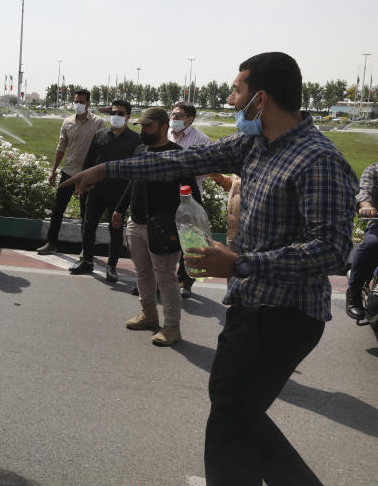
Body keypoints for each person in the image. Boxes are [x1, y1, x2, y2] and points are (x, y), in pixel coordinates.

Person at [61, 52, 357, 485]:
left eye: (238, 90)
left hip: (288, 314)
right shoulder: (255, 145)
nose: (232, 99)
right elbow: (175, 161)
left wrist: (240, 263)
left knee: (231, 415)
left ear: (261, 98)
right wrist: (108, 168)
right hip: (248, 305)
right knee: (233, 407)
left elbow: (331, 251)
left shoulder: (318, 159)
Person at [112, 107, 199, 346]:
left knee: (166, 277)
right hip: (136, 222)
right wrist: (120, 208)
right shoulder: (141, 150)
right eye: (141, 126)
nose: (144, 130)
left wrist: (190, 231)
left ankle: (172, 327)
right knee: (142, 273)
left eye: (148, 126)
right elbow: (133, 182)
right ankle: (149, 315)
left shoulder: (177, 155)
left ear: (163, 127)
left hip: (164, 227)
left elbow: (191, 195)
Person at [71, 99, 140, 282]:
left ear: (128, 117)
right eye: (113, 113)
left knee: (115, 230)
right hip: (96, 190)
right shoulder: (100, 135)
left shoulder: (135, 140)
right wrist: (83, 183)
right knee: (88, 226)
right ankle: (86, 261)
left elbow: (136, 170)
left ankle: (112, 266)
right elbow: (89, 162)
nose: (116, 116)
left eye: (120, 113)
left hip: (120, 193)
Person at [37, 89, 105, 255]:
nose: (78, 105)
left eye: (82, 102)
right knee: (58, 209)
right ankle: (51, 243)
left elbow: (103, 149)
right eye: (76, 101)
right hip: (68, 171)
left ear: (88, 103)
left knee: (86, 213)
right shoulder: (67, 122)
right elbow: (61, 147)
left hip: (88, 174)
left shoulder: (98, 123)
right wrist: (53, 171)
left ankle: (86, 248)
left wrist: (98, 175)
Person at [168, 102, 214, 297]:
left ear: (190, 119)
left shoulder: (201, 140)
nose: (174, 119)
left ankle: (185, 281)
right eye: (172, 115)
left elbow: (208, 167)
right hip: (167, 195)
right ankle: (166, 280)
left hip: (189, 199)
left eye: (178, 116)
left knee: (188, 242)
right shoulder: (166, 135)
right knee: (168, 240)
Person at [347, 163, 378, 320]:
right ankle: (354, 291)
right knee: (371, 244)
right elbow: (365, 190)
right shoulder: (374, 170)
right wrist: (366, 206)